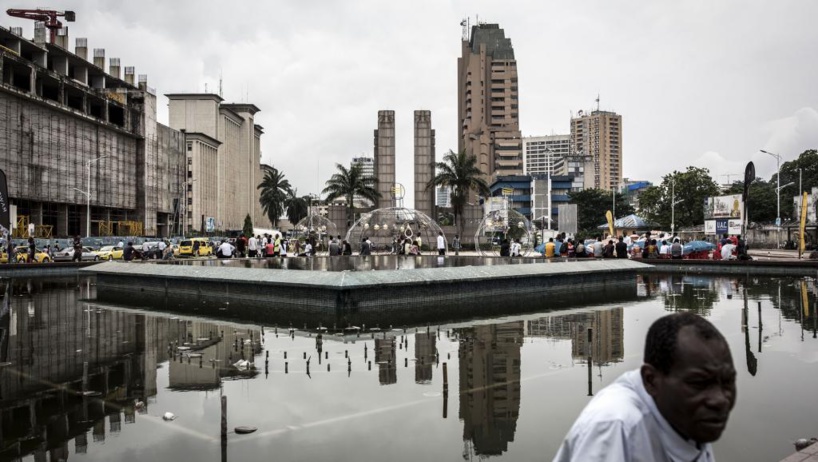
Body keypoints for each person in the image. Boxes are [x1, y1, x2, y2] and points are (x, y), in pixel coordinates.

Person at [553, 312, 736, 462]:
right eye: (698, 383)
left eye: (727, 382)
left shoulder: (690, 419)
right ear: (650, 380)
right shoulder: (615, 426)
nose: (720, 400)